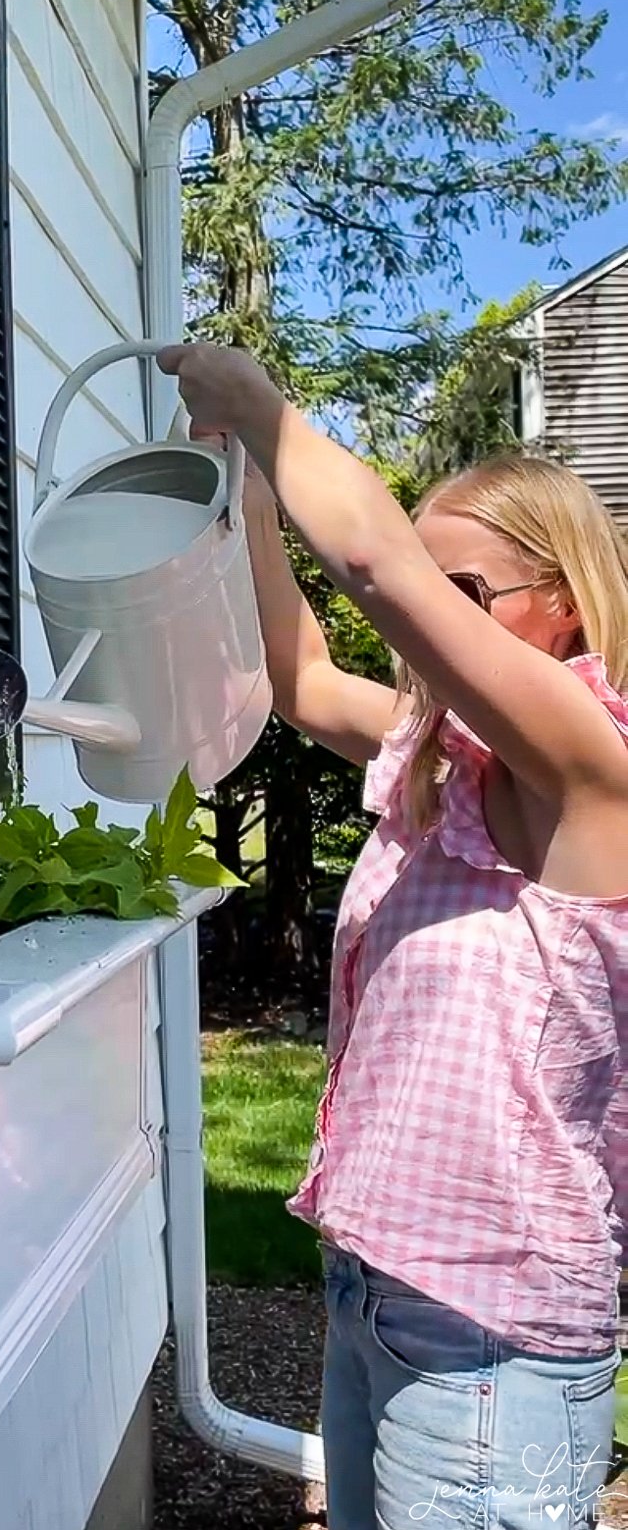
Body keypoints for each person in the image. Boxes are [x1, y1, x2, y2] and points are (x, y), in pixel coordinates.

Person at [158, 340, 628, 1529]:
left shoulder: (590, 772)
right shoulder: (445, 760)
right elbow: (303, 676)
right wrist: (254, 493)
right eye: (434, 581)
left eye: (462, 593)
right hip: (380, 1279)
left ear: (563, 601)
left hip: (488, 1324)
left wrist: (267, 414)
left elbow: (374, 574)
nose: (431, 618)